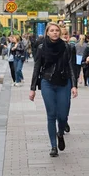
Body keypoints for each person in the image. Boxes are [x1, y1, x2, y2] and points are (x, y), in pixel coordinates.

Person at [29, 22, 78, 157]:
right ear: (47, 32)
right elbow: (37, 68)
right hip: (47, 82)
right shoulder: (41, 47)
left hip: (64, 83)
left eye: (57, 30)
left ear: (60, 33)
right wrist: (32, 88)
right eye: (52, 30)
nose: (55, 32)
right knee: (51, 114)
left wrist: (74, 85)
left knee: (62, 115)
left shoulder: (67, 47)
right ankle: (53, 146)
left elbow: (71, 67)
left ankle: (60, 133)